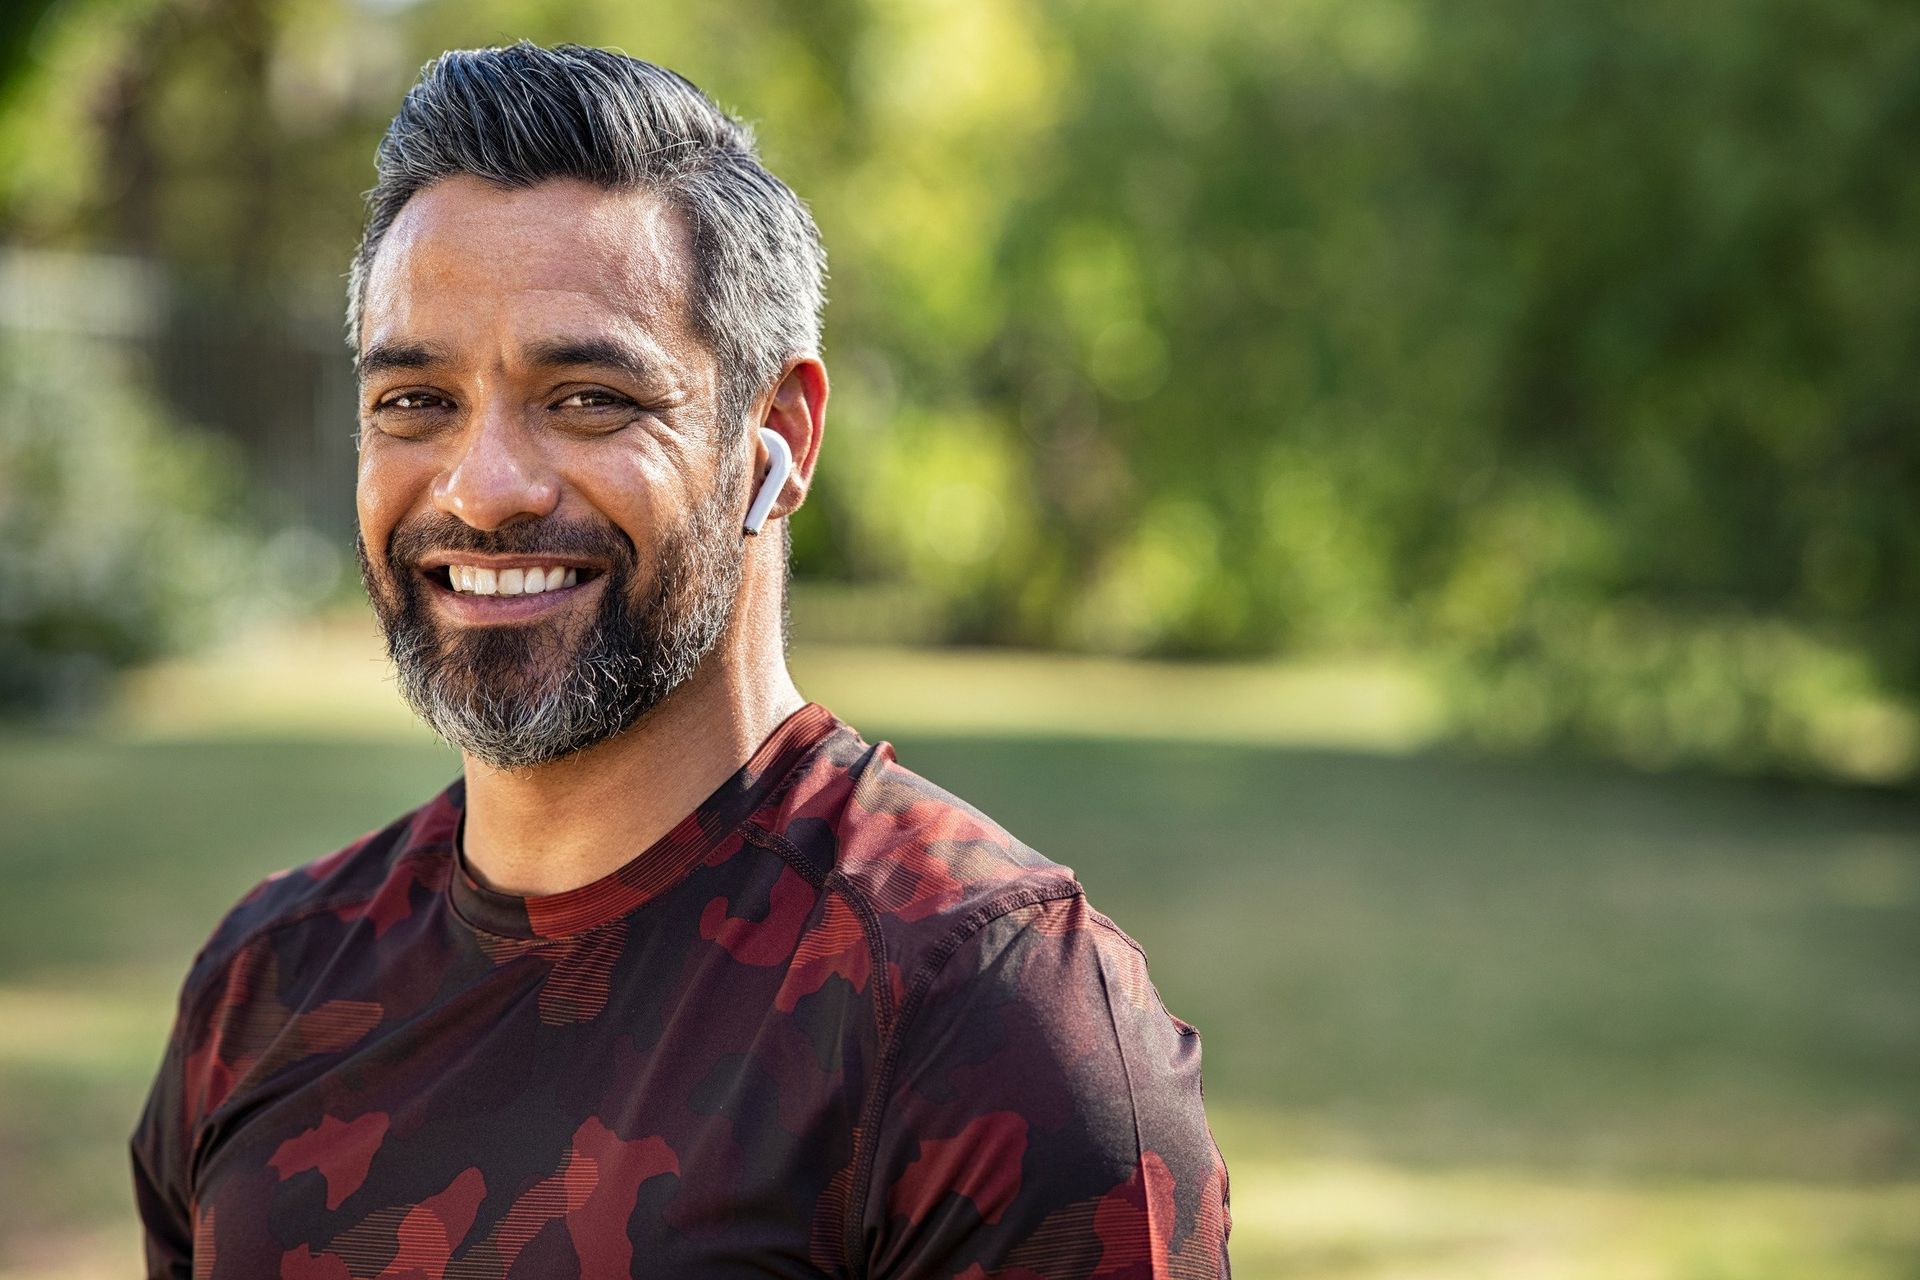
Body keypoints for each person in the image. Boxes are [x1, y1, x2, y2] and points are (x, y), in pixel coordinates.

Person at [129, 42, 1229, 1279]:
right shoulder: (265, 980)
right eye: (415, 401)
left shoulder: (990, 1014)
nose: (484, 489)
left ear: (779, 433)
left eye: (589, 396)